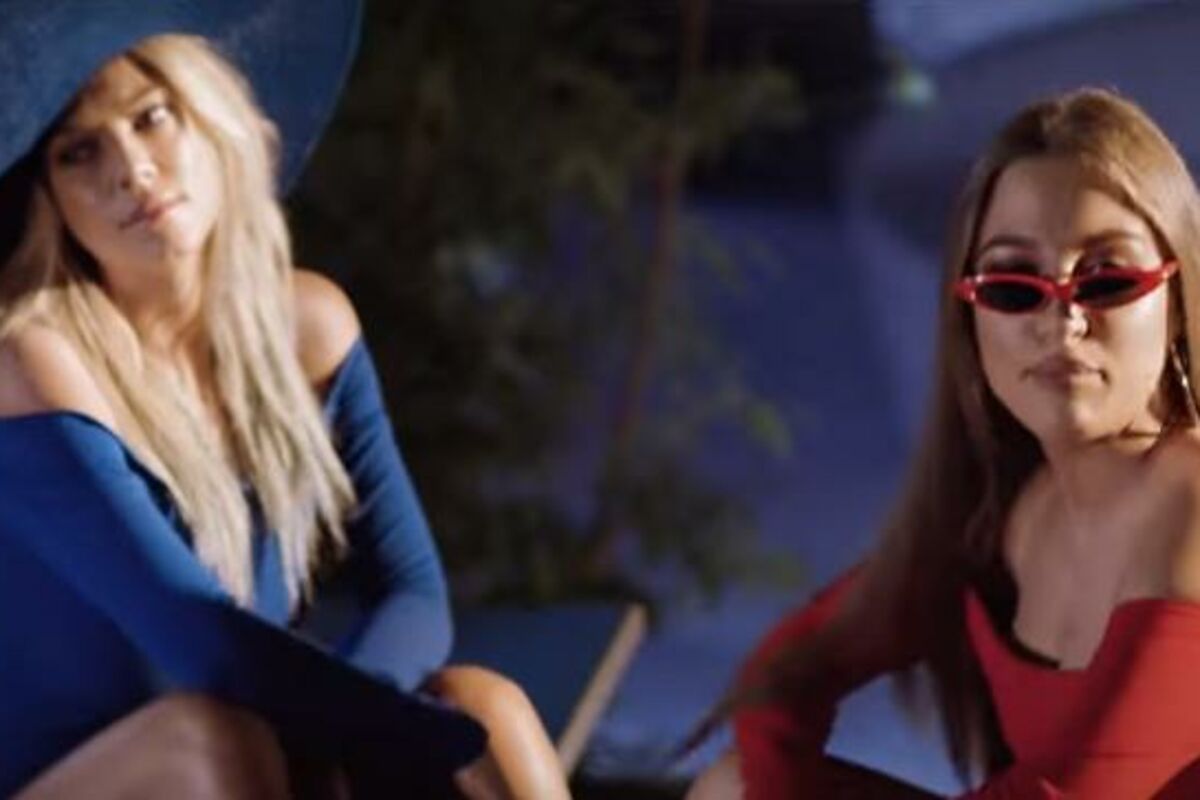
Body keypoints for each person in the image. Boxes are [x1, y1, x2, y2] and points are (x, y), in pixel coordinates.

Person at [0, 1, 569, 798]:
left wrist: (364, 742)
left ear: (212, 119)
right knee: (213, 741)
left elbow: (411, 593)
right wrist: (388, 741)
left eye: (151, 117)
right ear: (49, 205)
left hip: (261, 737)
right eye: (79, 152)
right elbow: (200, 640)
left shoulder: (309, 326)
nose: (131, 169)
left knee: (485, 703)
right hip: (82, 774)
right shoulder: (33, 362)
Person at [689, 86, 1200, 799]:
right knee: (735, 788)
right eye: (1014, 288)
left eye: (1107, 280)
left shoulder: (1187, 497)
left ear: (1175, 304)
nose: (1061, 322)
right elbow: (791, 670)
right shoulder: (1008, 511)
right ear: (972, 321)